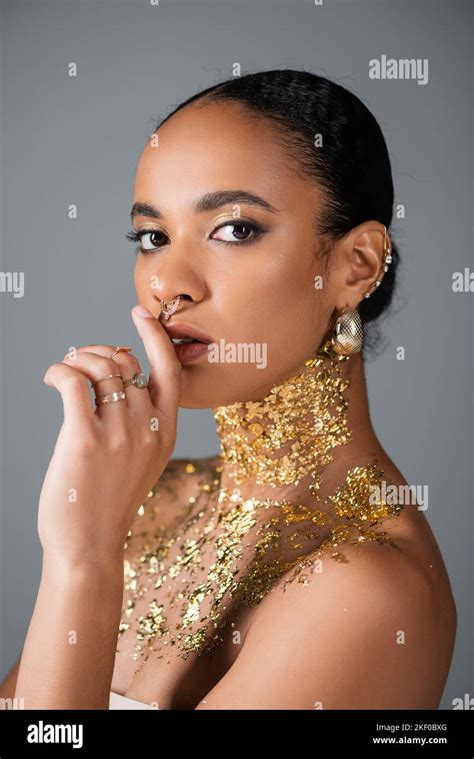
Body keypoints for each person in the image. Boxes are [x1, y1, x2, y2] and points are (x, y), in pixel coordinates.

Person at [0, 70, 456, 710]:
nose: (168, 283)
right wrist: (91, 547)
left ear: (356, 266)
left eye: (235, 229)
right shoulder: (149, 504)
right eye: (153, 237)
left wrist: (83, 561)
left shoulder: (366, 590)